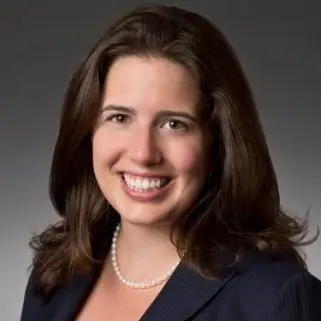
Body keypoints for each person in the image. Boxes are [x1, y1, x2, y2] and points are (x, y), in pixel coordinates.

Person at [20, 3, 321, 321]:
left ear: (217, 144)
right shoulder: (55, 273)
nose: (143, 153)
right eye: (120, 117)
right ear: (88, 132)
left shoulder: (276, 298)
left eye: (174, 124)